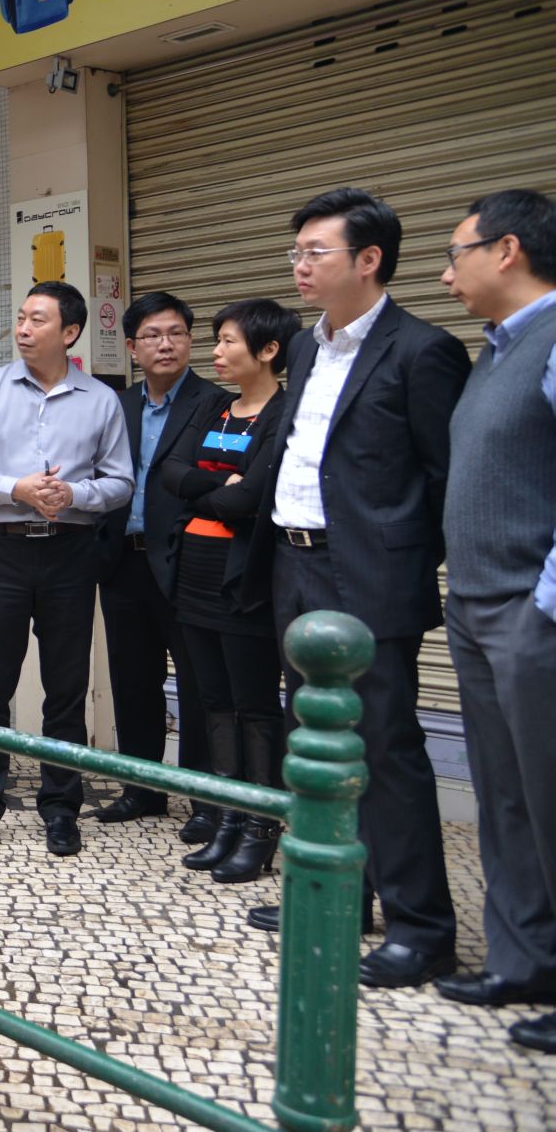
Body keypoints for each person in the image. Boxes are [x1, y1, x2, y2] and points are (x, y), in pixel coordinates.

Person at [242, 187, 470, 988]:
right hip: (295, 561)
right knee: (313, 736)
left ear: (369, 259)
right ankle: (341, 892)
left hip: (367, 574)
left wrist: (396, 562)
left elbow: (446, 481)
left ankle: (421, 927)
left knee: (384, 745)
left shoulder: (422, 351)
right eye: (296, 252)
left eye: (316, 252)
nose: (299, 266)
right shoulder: (308, 350)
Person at [0, 282, 134, 857]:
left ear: (69, 332)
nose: (23, 329)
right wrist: (16, 488)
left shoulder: (101, 400)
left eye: (38, 320)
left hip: (70, 553)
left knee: (66, 687)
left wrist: (72, 494)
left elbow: (121, 482)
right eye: (21, 317)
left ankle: (61, 808)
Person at [435, 188, 556, 1051]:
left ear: (507, 249)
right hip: (476, 604)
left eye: (457, 255)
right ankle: (524, 959)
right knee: (505, 794)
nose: (447, 276)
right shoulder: (495, 351)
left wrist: (544, 606)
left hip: (529, 611)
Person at [156, 298, 299, 882]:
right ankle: (225, 817)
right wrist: (219, 485)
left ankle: (260, 826)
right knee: (212, 699)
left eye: (227, 341)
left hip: (244, 579)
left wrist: (207, 490)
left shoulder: (284, 413)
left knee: (254, 704)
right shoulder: (213, 406)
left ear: (267, 350)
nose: (215, 351)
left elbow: (249, 499)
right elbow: (168, 470)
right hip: (192, 574)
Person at [93, 293, 226, 833]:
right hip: (123, 562)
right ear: (132, 347)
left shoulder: (215, 403)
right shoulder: (117, 405)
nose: (165, 344)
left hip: (189, 562)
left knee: (198, 684)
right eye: (152, 335)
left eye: (175, 333)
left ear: (190, 341)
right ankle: (141, 789)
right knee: (132, 679)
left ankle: (204, 800)